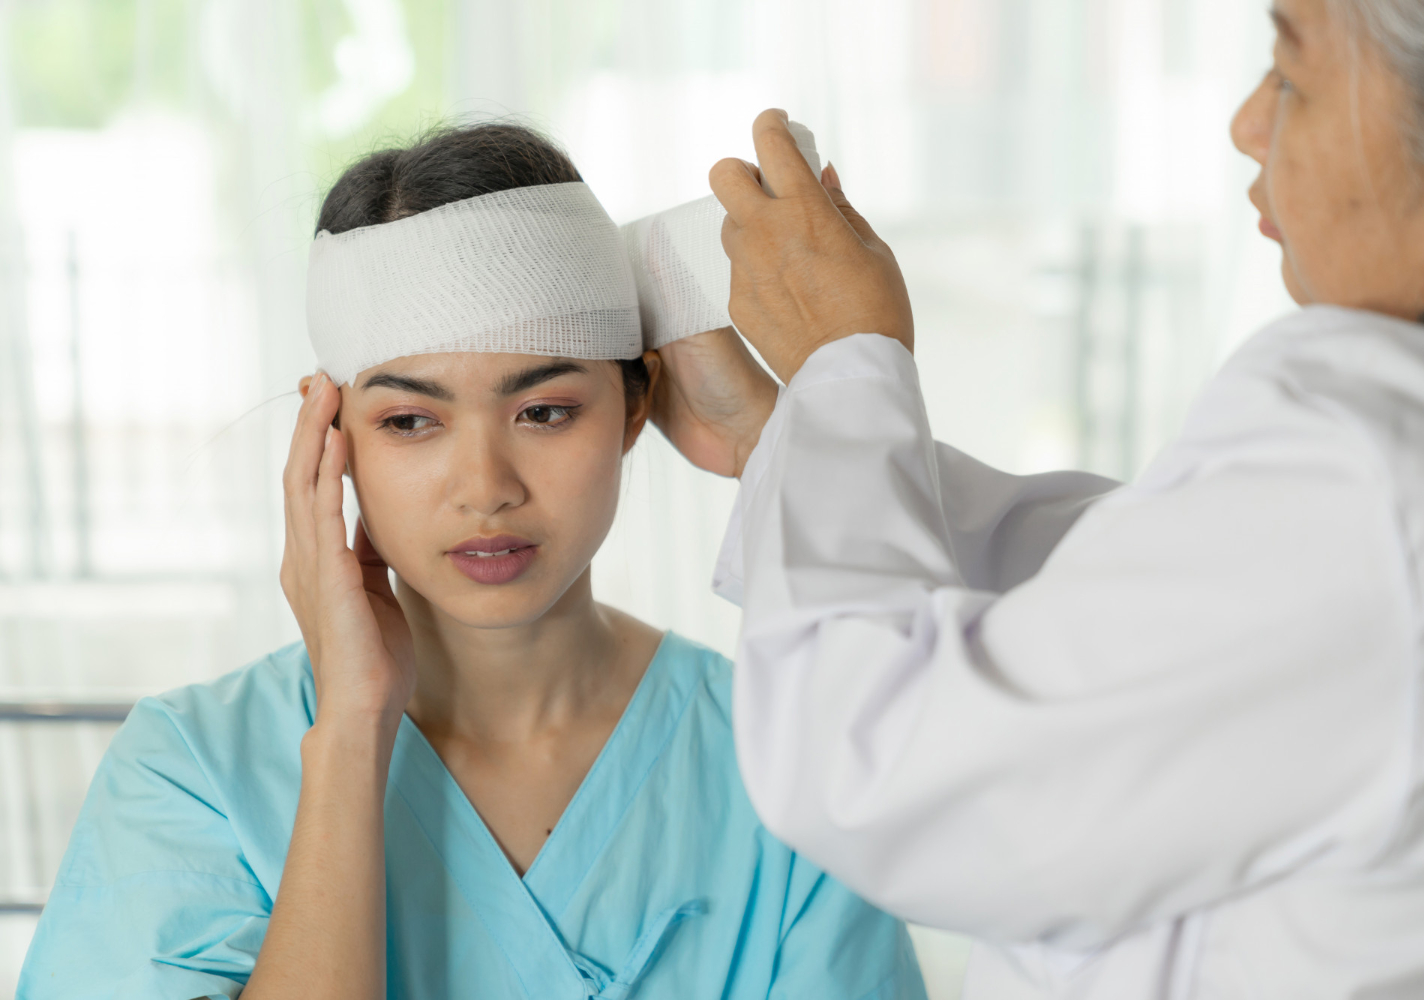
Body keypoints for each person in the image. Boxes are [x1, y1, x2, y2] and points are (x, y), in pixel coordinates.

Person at [649, 0, 1424, 996]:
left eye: (1295, 76)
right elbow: (1137, 603)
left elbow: (878, 767)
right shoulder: (1415, 484)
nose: (1246, 124)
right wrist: (784, 435)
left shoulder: (1379, 486)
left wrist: (846, 363)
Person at [18, 124, 926, 1000]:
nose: (485, 487)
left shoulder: (781, 756)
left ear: (635, 405)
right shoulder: (193, 769)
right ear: (332, 440)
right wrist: (351, 731)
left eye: (545, 411)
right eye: (410, 421)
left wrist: (788, 441)